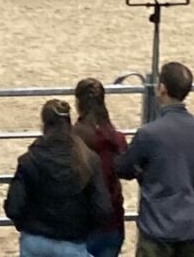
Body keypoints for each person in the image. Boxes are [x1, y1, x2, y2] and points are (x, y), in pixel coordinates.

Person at [5, 99, 112, 257]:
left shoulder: (29, 160)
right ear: (69, 124)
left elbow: (14, 207)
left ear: (44, 125)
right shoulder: (88, 159)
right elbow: (103, 208)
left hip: (35, 241)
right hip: (73, 243)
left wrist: (28, 226)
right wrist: (83, 229)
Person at [117, 62, 194, 257]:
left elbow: (124, 168)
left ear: (162, 88)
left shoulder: (149, 133)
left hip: (157, 230)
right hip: (191, 228)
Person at [72, 79, 127, 257]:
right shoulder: (116, 139)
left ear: (78, 103)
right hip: (112, 222)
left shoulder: (72, 139)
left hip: (81, 225)